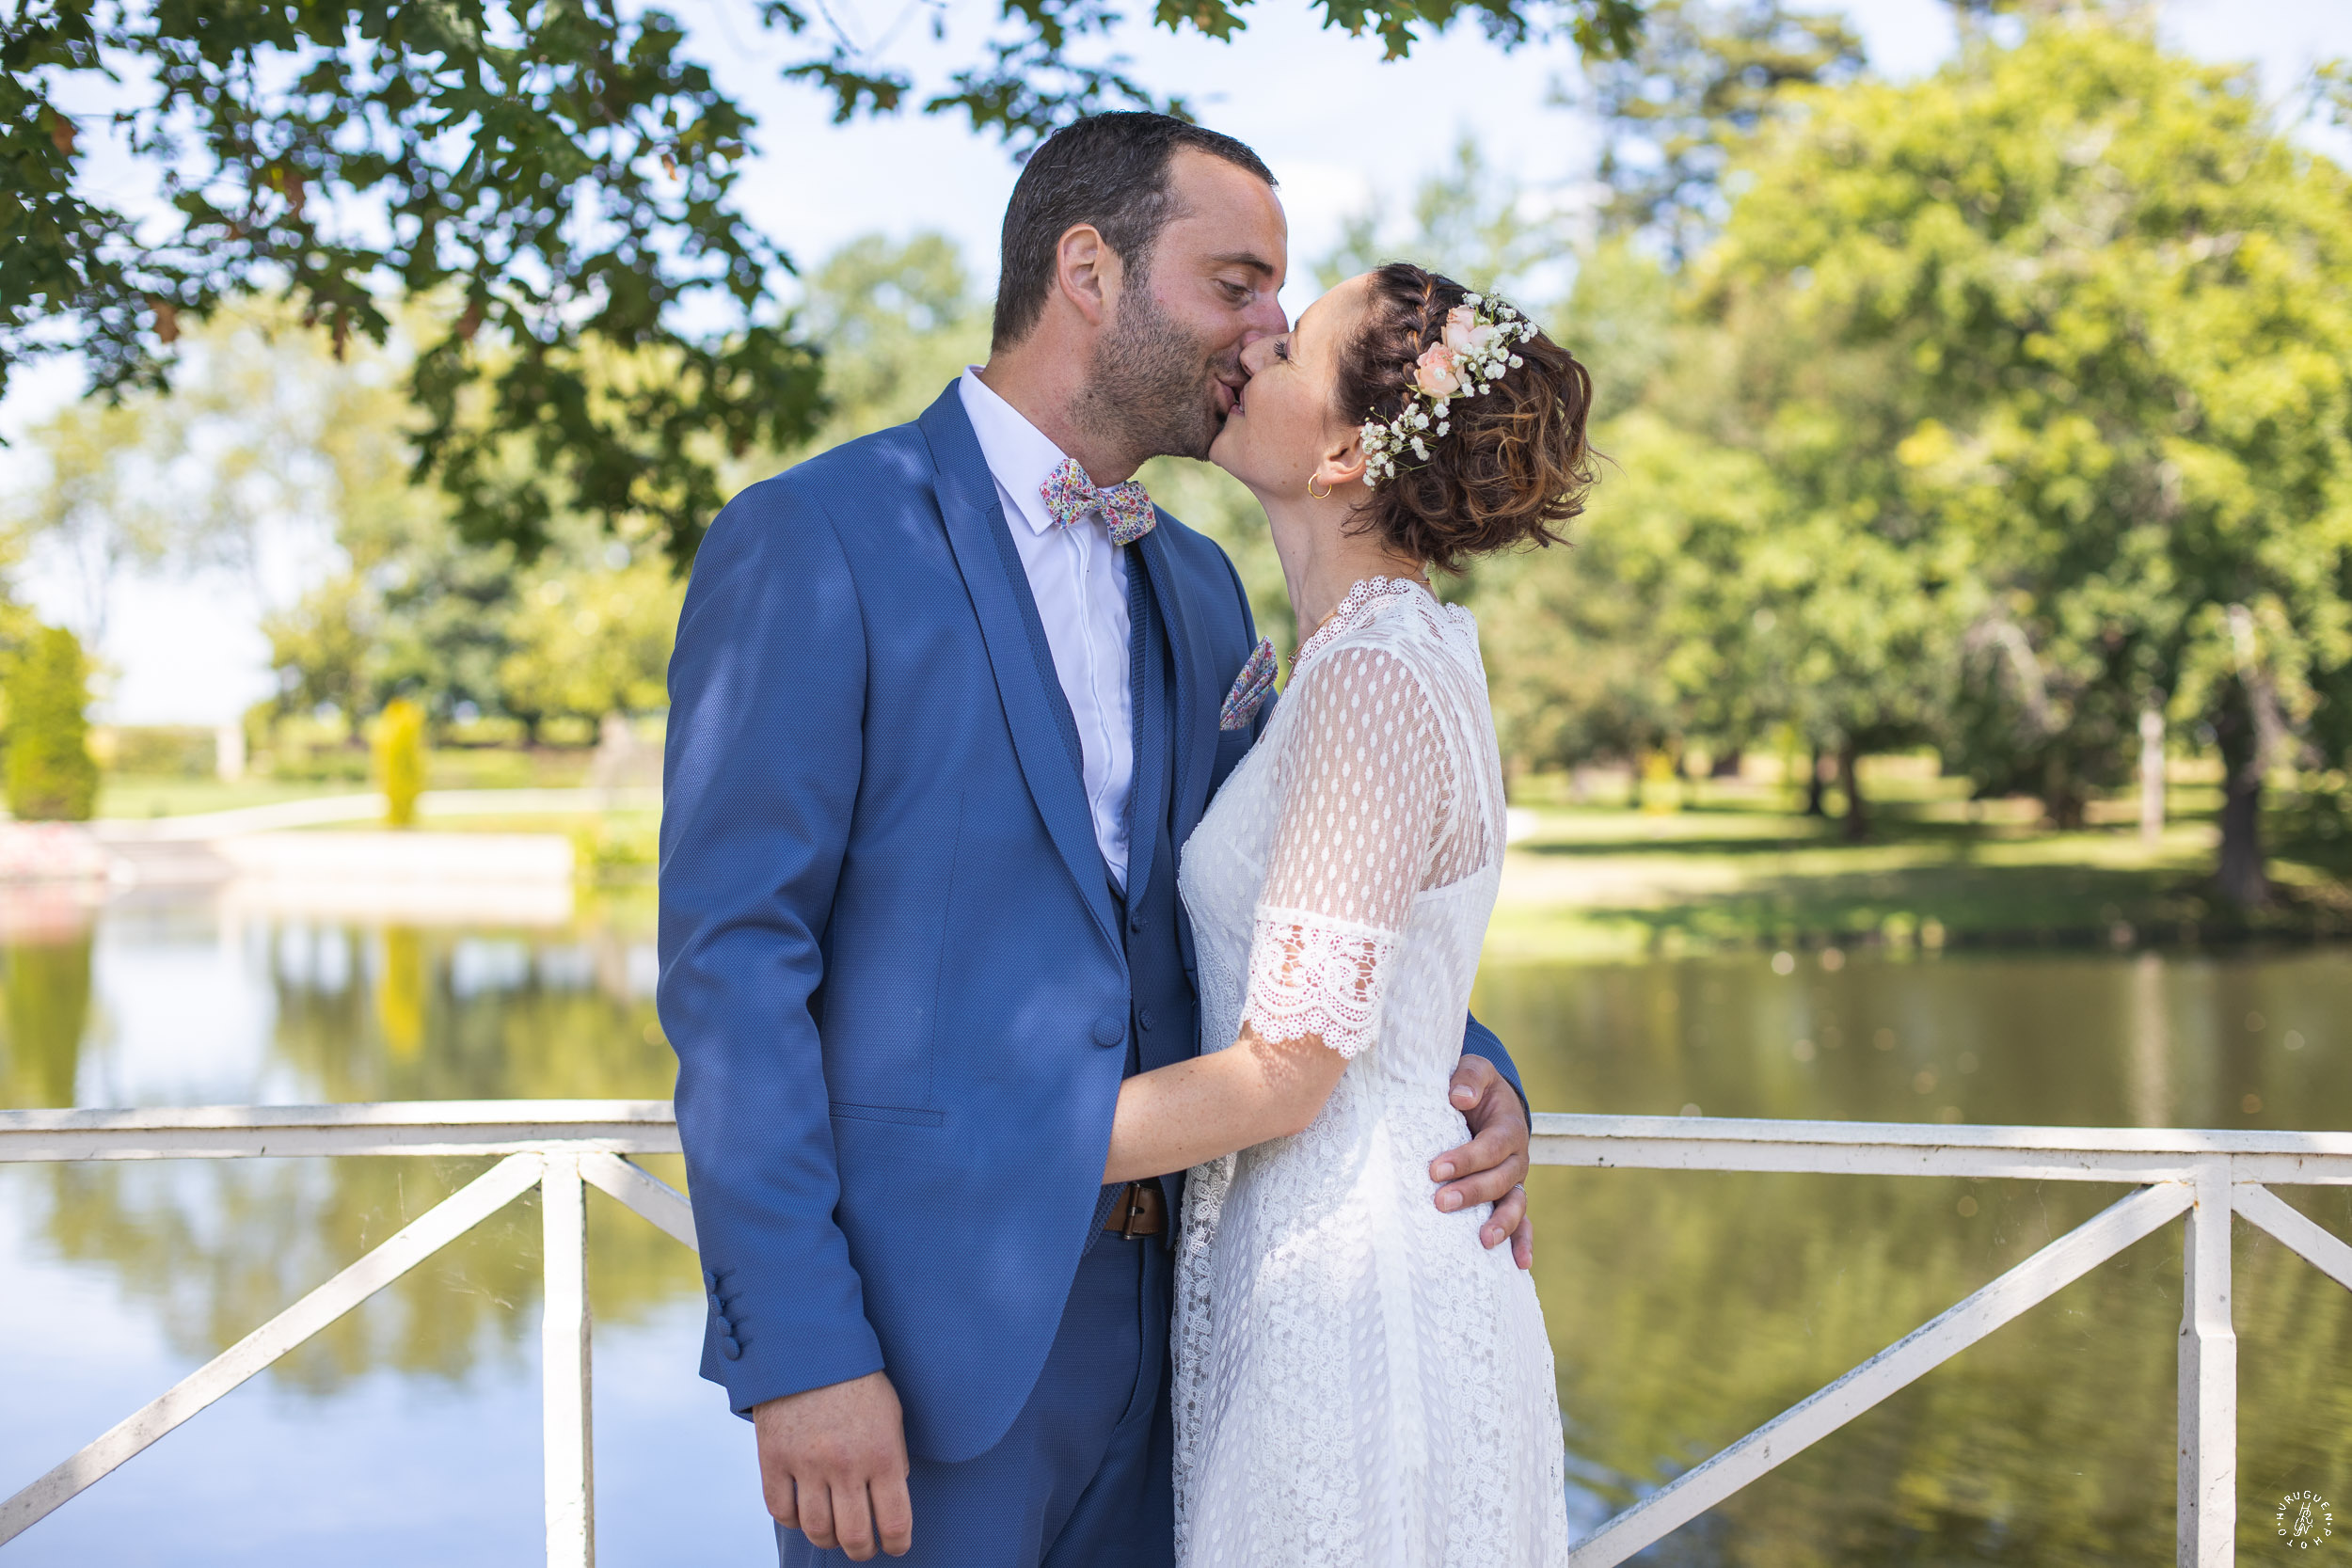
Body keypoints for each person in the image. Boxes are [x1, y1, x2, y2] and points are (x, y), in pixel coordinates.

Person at [656, 112, 1536, 1568]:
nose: (1265, 332)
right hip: (924, 1354)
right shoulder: (818, 540)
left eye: (1282, 300)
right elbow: (733, 973)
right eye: (1238, 282)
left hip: (1202, 1350)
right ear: (1088, 268)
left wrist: (1465, 1059)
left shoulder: (1198, 587)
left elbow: (1296, 904)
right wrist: (800, 1348)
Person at [1102, 262, 1595, 1566]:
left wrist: (992, 1146)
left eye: (1292, 347)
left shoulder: (1378, 672)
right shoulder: (1362, 659)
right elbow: (1393, 984)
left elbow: (1290, 1073)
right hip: (1311, 1258)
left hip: (1359, 1292)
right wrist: (1473, 1071)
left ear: (1342, 453)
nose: (1254, 346)